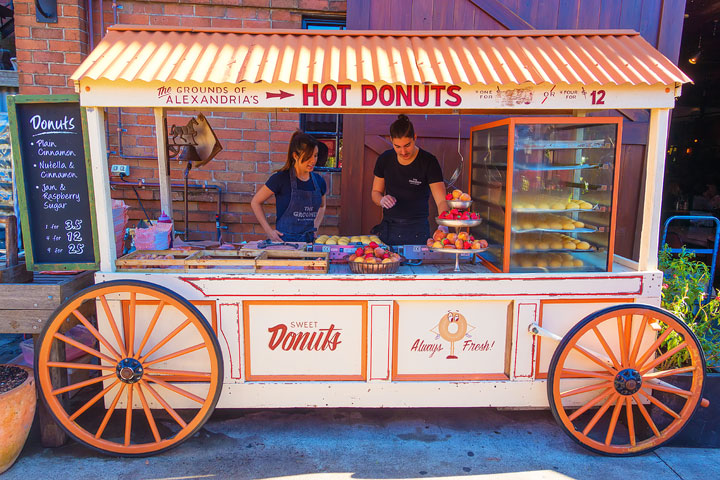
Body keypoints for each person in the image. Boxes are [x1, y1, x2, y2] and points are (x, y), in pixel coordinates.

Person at [371, 114, 449, 245]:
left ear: (415, 138)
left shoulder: (428, 161)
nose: (403, 151)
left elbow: (441, 200)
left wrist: (444, 224)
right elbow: (375, 193)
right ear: (391, 140)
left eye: (407, 145)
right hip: (389, 228)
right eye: (397, 146)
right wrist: (382, 200)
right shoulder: (384, 159)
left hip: (417, 229)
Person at [251, 131, 327, 243]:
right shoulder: (280, 179)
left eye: (315, 155)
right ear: (295, 156)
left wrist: (315, 228)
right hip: (285, 245)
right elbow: (255, 202)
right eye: (308, 156)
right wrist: (269, 231)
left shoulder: (319, 182)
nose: (313, 160)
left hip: (309, 244)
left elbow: (322, 206)